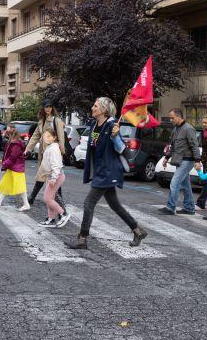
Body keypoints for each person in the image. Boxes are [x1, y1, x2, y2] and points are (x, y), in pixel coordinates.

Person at [66, 97, 147, 250]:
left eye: (95, 106)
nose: (92, 108)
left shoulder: (112, 126)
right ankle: (138, 231)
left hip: (108, 171)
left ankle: (82, 238)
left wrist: (115, 136)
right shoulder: (94, 124)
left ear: (103, 110)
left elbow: (122, 149)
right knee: (115, 205)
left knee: (88, 203)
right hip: (100, 170)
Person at [159, 108, 200, 215]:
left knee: (174, 183)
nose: (171, 120)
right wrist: (166, 158)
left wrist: (197, 160)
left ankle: (170, 207)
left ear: (179, 116)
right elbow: (172, 146)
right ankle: (189, 208)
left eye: (172, 118)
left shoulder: (188, 129)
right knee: (185, 185)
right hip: (179, 160)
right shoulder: (175, 129)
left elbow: (194, 145)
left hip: (187, 160)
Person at [26, 100, 66, 208]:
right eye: (46, 107)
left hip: (53, 153)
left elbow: (61, 137)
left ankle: (32, 198)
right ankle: (59, 201)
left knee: (46, 175)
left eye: (50, 106)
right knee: (49, 176)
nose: (48, 108)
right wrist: (28, 149)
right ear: (43, 108)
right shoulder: (41, 121)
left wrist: (61, 152)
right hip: (43, 153)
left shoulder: (56, 120)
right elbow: (35, 136)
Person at [0, 125, 30, 211]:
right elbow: (9, 156)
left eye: (8, 135)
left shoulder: (16, 145)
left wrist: (4, 164)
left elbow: (12, 158)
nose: (7, 137)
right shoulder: (13, 143)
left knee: (21, 187)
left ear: (11, 135)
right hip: (13, 168)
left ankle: (26, 204)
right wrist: (3, 162)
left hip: (17, 169)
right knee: (5, 184)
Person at [38, 128, 70, 228]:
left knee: (47, 198)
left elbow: (56, 165)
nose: (46, 138)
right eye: (44, 136)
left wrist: (53, 178)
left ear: (54, 137)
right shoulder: (50, 147)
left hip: (56, 176)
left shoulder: (54, 149)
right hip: (51, 176)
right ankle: (51, 219)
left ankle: (63, 214)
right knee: (50, 198)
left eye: (49, 136)